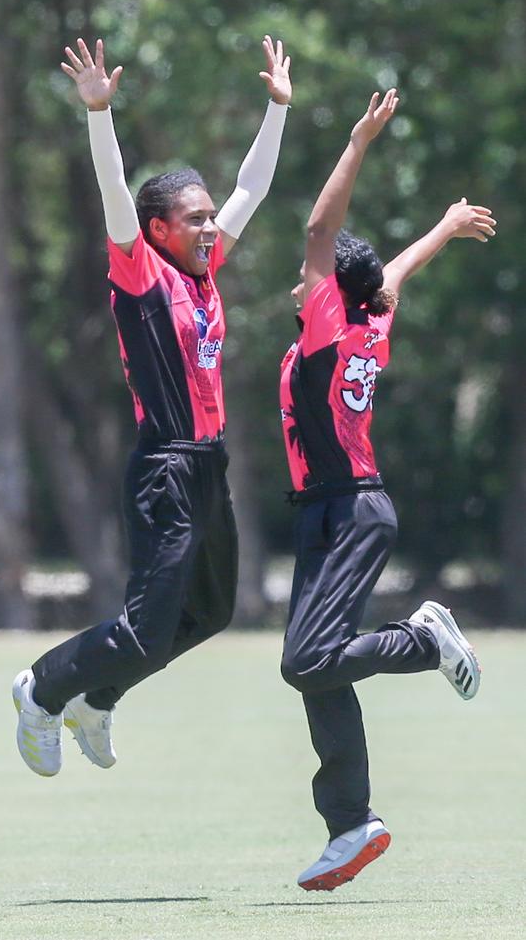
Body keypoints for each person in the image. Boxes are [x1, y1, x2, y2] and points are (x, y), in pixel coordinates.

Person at [12, 35, 292, 777]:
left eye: (210, 218)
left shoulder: (203, 275)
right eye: (194, 220)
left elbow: (251, 189)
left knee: (212, 614)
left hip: (208, 465)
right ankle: (42, 686)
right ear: (158, 229)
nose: (210, 228)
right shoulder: (141, 275)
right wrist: (100, 116)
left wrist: (277, 108)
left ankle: (96, 699)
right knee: (144, 627)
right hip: (165, 467)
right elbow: (113, 189)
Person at [278, 90, 495, 891]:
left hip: (349, 509)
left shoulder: (332, 323)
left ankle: (424, 640)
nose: (298, 285)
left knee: (307, 661)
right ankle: (350, 822)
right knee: (315, 667)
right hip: (330, 511)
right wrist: (441, 227)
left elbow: (319, 231)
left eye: (311, 280)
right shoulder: (371, 315)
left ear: (332, 289)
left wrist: (358, 140)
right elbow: (390, 270)